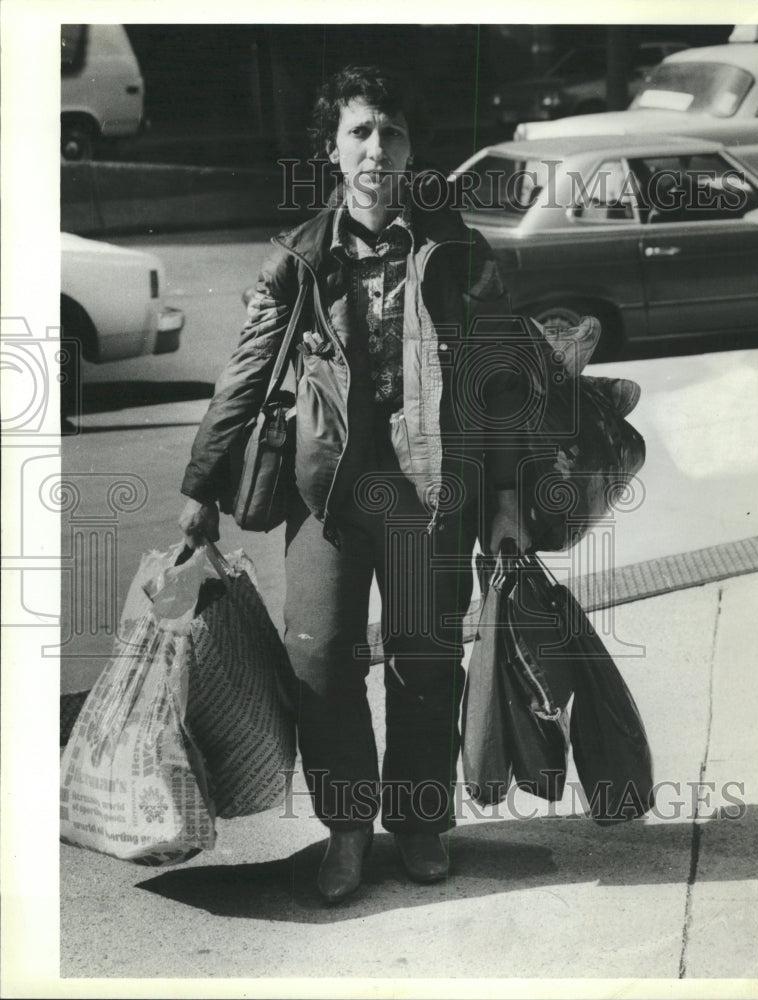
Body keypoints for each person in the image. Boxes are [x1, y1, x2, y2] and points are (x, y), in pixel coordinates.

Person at [178, 65, 534, 903]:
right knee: (322, 664)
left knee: (425, 662)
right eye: (360, 133)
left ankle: (416, 823)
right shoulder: (298, 258)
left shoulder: (457, 253)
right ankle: (347, 830)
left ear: (413, 148)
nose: (378, 149)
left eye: (393, 132)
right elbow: (243, 374)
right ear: (333, 151)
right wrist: (200, 486)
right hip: (327, 499)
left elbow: (500, 386)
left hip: (430, 492)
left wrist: (511, 497)